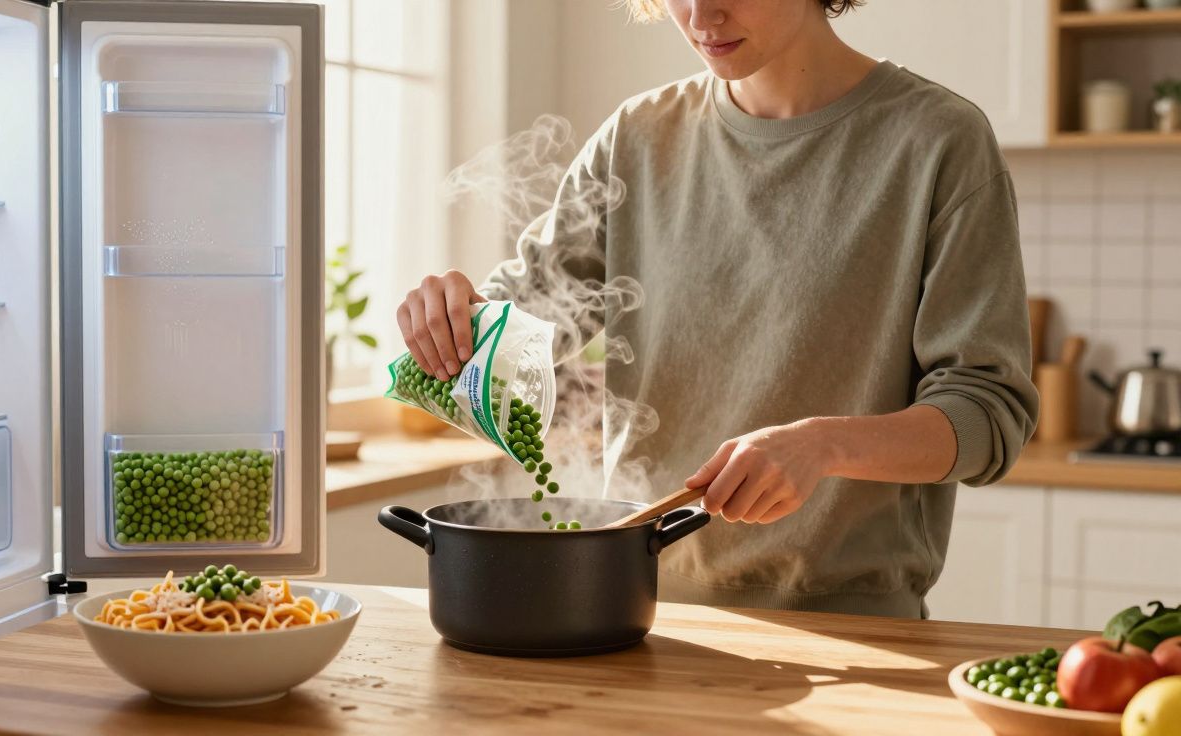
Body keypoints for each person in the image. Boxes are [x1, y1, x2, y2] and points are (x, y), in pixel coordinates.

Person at [394, 0, 1038, 618]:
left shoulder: (937, 140)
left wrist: (825, 445)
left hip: (851, 625)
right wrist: (453, 318)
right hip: (633, 608)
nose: (702, 18)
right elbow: (524, 326)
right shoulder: (637, 138)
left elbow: (988, 414)